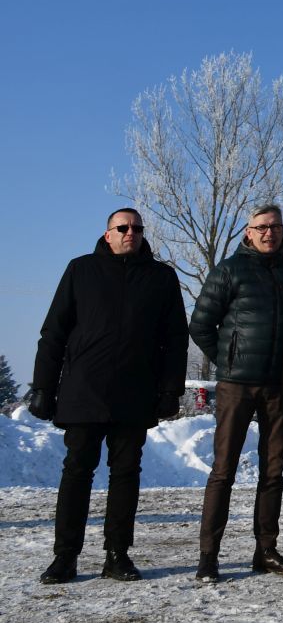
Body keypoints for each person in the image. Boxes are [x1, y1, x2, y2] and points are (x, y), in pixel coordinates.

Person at [30, 208, 188, 584]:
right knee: (76, 473)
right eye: (123, 227)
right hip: (84, 391)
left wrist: (171, 390)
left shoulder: (161, 277)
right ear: (107, 234)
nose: (130, 232)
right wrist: (43, 387)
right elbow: (54, 332)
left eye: (137, 228)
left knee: (126, 474)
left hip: (135, 393)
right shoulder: (80, 270)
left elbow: (175, 339)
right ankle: (65, 557)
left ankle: (117, 555)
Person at [188, 203, 283, 581]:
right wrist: (229, 361)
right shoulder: (229, 270)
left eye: (275, 226)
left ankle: (266, 551)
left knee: (273, 472)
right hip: (235, 386)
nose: (268, 233)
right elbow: (201, 324)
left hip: (279, 388)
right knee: (223, 471)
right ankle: (209, 556)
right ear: (248, 231)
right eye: (261, 227)